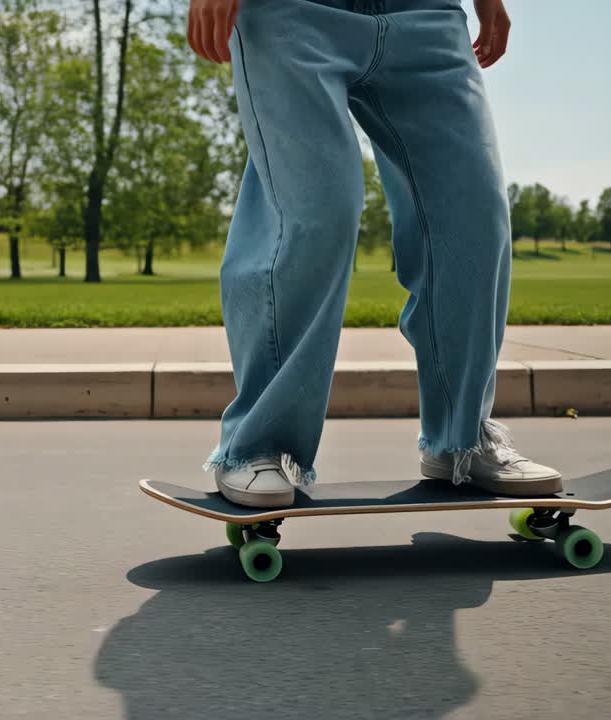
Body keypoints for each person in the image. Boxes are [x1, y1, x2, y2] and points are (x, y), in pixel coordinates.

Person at [188, 0, 562, 508]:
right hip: (289, 11)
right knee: (317, 213)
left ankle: (461, 440)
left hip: (427, 14)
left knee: (474, 214)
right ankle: (256, 445)